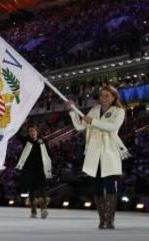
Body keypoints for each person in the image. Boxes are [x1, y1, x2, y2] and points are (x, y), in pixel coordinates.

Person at [65, 85, 129, 229]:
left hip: (110, 153)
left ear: (113, 97)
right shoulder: (94, 110)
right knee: (98, 187)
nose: (104, 98)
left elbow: (112, 127)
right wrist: (72, 111)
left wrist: (92, 121)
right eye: (101, 96)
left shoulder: (119, 111)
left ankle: (110, 219)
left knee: (110, 185)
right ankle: (102, 219)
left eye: (107, 96)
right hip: (94, 154)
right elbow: (80, 126)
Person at [16, 125, 52, 218]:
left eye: (33, 131)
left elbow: (48, 154)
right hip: (29, 170)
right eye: (30, 131)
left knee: (42, 190)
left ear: (37, 132)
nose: (32, 133)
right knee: (32, 191)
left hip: (41, 169)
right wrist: (21, 123)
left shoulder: (43, 142)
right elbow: (17, 135)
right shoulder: (26, 141)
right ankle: (33, 211)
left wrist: (49, 166)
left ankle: (43, 209)